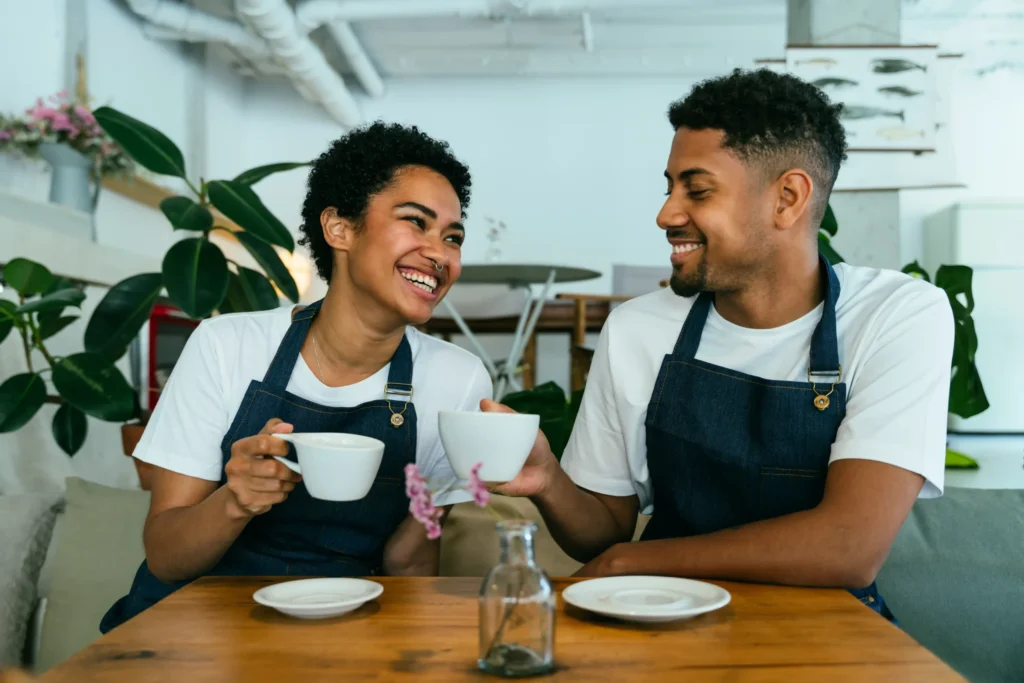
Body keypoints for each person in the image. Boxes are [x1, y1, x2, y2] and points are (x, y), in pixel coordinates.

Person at [483, 69, 953, 621]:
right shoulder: (637, 329)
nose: (665, 214)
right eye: (669, 187)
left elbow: (849, 546)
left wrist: (634, 563)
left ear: (788, 198)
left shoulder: (894, 315)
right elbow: (600, 532)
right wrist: (548, 480)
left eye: (697, 190)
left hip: (831, 627)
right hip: (661, 618)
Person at [101, 122, 491, 631]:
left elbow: (408, 562)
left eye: (452, 237)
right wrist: (235, 500)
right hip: (190, 628)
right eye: (416, 222)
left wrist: (446, 495)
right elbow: (166, 557)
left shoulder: (456, 381)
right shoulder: (227, 345)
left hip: (340, 630)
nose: (440, 254)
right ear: (339, 228)